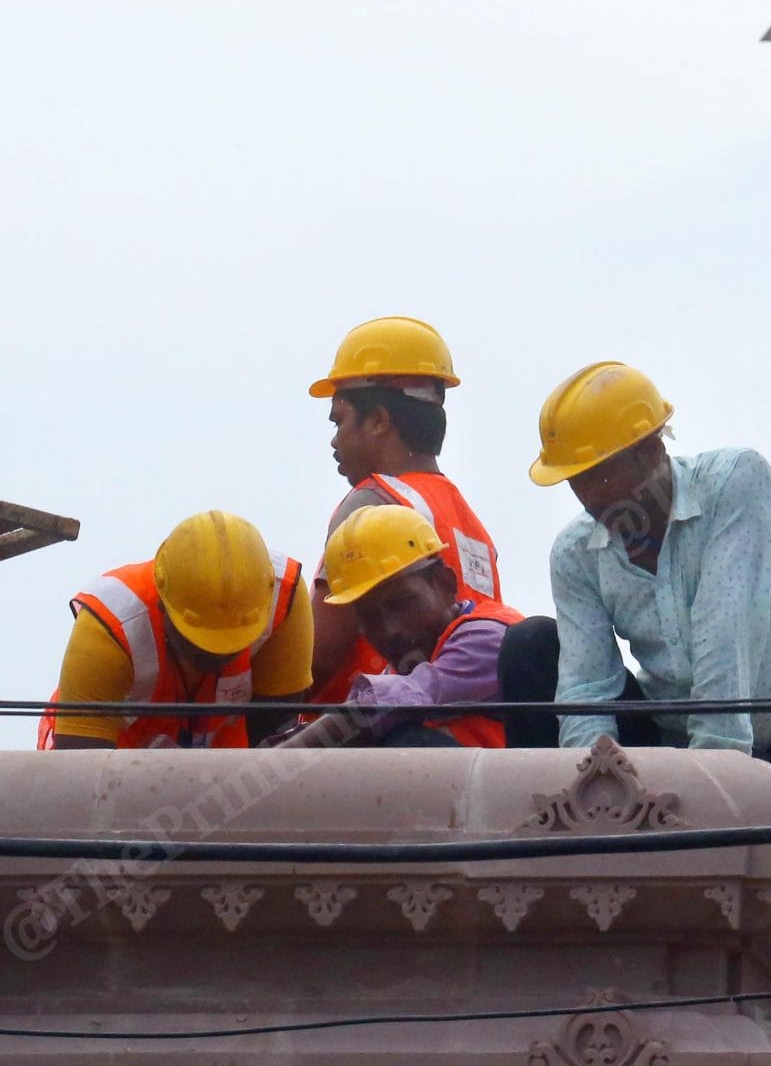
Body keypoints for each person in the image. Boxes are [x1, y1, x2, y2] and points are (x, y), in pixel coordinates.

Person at [498, 361, 771, 765]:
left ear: (652, 450)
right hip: (668, 745)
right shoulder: (576, 553)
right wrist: (590, 781)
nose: (590, 497)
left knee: (747, 757)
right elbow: (586, 688)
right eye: (577, 481)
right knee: (530, 645)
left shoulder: (735, 483)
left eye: (601, 476)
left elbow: (725, 631)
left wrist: (711, 773)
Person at [305, 316, 504, 705]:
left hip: (371, 738)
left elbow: (315, 660)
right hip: (465, 734)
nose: (334, 440)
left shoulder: (372, 503)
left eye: (340, 420)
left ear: (379, 420)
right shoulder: (468, 522)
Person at [38, 510, 310, 750]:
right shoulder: (111, 626)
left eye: (233, 641)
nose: (217, 656)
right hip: (112, 763)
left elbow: (274, 737)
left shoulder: (282, 597)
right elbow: (82, 781)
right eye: (199, 641)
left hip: (223, 763)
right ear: (162, 603)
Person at [270, 506, 522, 750]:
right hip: (472, 788)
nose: (389, 630)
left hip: (529, 791)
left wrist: (282, 760)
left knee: (401, 745)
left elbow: (385, 706)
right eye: (369, 616)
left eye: (402, 604)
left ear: (445, 585)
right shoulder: (405, 669)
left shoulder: (487, 640)